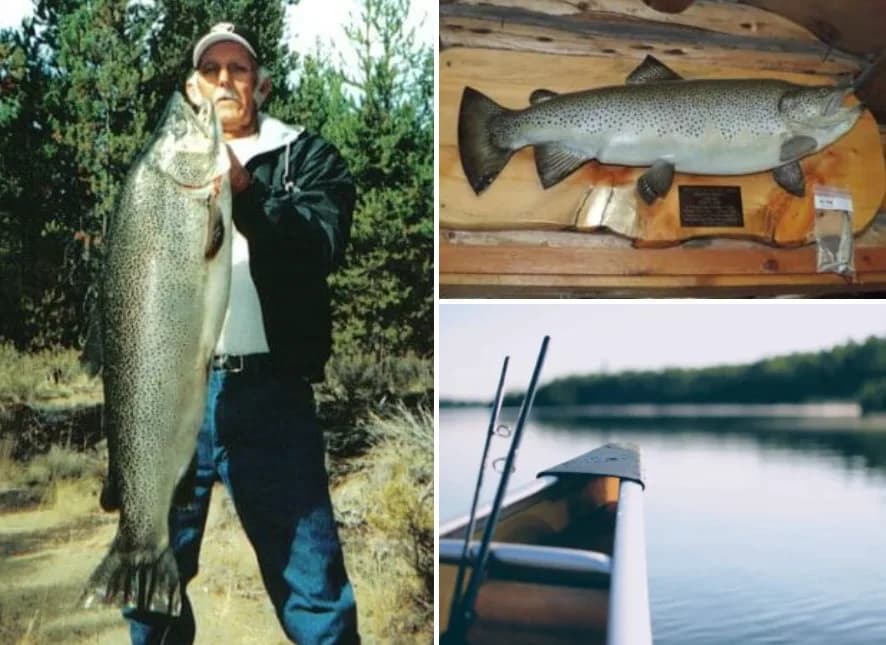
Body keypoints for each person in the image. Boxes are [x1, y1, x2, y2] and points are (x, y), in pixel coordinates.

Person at [124, 22, 359, 645]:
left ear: (261, 82)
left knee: (315, 596)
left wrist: (244, 192)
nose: (225, 79)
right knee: (151, 593)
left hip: (272, 399)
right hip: (171, 397)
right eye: (211, 70)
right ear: (192, 88)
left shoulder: (306, 156)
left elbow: (318, 247)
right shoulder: (159, 171)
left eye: (239, 68)